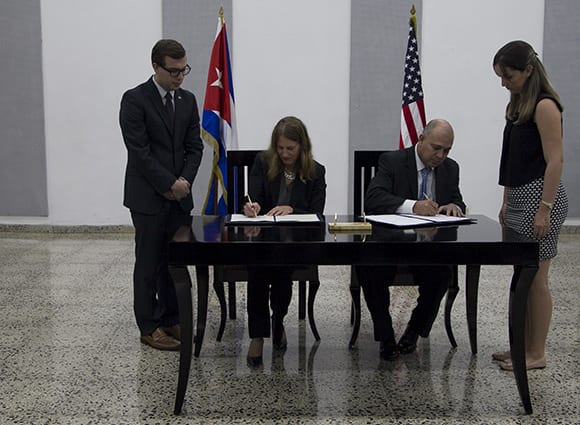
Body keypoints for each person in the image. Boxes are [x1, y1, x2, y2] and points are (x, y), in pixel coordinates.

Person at [357, 119, 466, 360]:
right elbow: (373, 199)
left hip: (429, 248)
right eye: (436, 148)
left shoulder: (450, 168)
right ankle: (386, 337)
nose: (441, 155)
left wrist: (453, 206)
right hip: (391, 243)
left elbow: (458, 201)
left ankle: (414, 332)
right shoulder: (393, 161)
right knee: (370, 267)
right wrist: (413, 206)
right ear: (420, 139)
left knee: (441, 275)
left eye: (446, 150)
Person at [119, 39, 203, 351]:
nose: (180, 77)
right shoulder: (134, 100)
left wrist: (184, 181)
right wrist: (168, 183)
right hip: (148, 198)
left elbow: (195, 147)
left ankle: (171, 319)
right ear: (155, 66)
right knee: (149, 262)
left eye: (184, 71)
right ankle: (149, 325)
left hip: (180, 196)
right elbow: (139, 152)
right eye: (173, 71)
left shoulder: (188, 100)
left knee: (175, 261)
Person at [492, 40, 568, 371]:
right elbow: (513, 160)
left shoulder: (545, 106)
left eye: (508, 76)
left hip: (541, 198)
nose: (504, 83)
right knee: (521, 275)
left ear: (528, 70)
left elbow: (555, 161)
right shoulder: (518, 104)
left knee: (537, 278)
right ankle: (520, 346)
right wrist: (507, 200)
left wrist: (545, 208)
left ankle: (536, 353)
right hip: (519, 198)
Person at [242, 116, 326, 367]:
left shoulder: (315, 171)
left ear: (302, 146)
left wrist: (293, 209)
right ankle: (258, 335)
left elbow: (317, 212)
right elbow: (253, 199)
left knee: (282, 271)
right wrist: (252, 206)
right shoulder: (263, 162)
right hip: (263, 238)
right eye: (280, 148)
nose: (284, 153)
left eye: (290, 148)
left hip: (294, 241)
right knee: (257, 271)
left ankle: (277, 321)